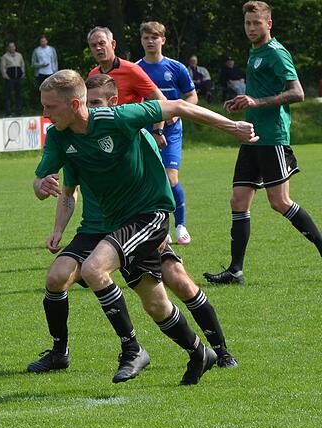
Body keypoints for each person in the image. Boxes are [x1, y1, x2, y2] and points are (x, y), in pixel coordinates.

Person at [33, 70, 256, 384]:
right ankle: (199, 353)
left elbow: (178, 106)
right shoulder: (59, 136)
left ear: (73, 104)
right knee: (156, 303)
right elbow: (44, 180)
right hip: (111, 226)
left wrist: (231, 126)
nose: (44, 113)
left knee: (96, 269)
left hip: (149, 215)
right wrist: (40, 185)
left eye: (50, 107)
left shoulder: (118, 118)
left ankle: (133, 348)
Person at [205, 1, 322, 284]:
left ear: (268, 24)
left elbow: (297, 93)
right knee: (238, 200)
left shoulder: (277, 53)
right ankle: (236, 271)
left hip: (272, 138)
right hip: (252, 136)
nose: (251, 28)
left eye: (257, 23)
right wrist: (243, 103)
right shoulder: (254, 52)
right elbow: (259, 92)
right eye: (248, 23)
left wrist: (258, 101)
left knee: (279, 202)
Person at [136, 22, 199, 245]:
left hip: (171, 131)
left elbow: (192, 97)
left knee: (171, 177)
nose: (150, 41)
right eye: (146, 37)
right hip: (144, 131)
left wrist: (178, 112)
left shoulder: (176, 68)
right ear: (141, 41)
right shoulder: (136, 69)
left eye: (155, 37)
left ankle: (180, 224)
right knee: (148, 179)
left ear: (163, 39)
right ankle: (157, 227)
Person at [86, 26, 168, 149]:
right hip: (103, 138)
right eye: (93, 45)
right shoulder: (93, 74)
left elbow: (160, 99)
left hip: (131, 138)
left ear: (113, 44)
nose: (98, 48)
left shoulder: (131, 70)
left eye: (102, 43)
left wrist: (157, 131)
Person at [0, 42, 25, 117]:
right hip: (9, 78)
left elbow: (22, 65)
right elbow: (2, 68)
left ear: (15, 47)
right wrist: (6, 76)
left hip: (18, 78)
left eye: (13, 46)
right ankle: (8, 113)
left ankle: (19, 112)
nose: (12, 48)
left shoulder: (19, 55)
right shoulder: (5, 56)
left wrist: (22, 73)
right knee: (8, 96)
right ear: (8, 48)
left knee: (19, 95)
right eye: (10, 47)